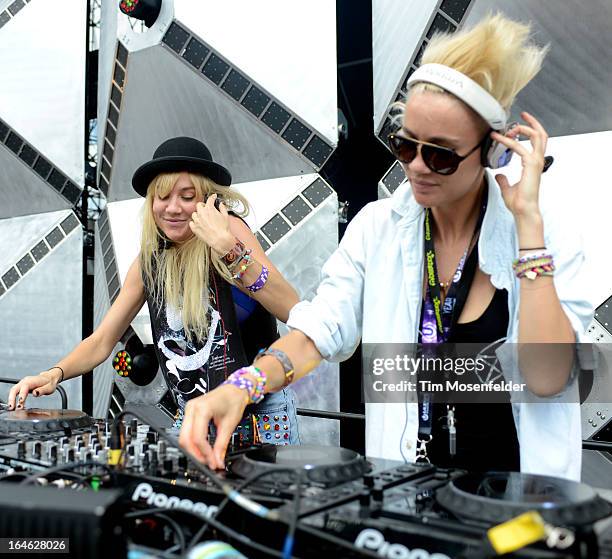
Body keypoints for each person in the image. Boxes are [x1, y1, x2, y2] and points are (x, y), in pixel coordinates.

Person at [178, 14, 592, 480]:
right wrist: (243, 386)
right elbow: (320, 331)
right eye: (405, 145)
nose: (416, 166)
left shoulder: (543, 232)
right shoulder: (378, 228)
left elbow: (547, 378)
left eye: (439, 153)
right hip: (409, 498)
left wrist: (529, 232)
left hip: (523, 511)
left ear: (492, 152)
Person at [8, 136, 301, 445]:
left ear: (209, 201)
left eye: (187, 197)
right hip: (193, 418)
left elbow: (290, 308)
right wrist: (54, 374)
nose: (172, 208)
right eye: (162, 197)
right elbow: (102, 340)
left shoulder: (230, 232)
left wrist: (228, 250)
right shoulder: (150, 260)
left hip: (257, 421)